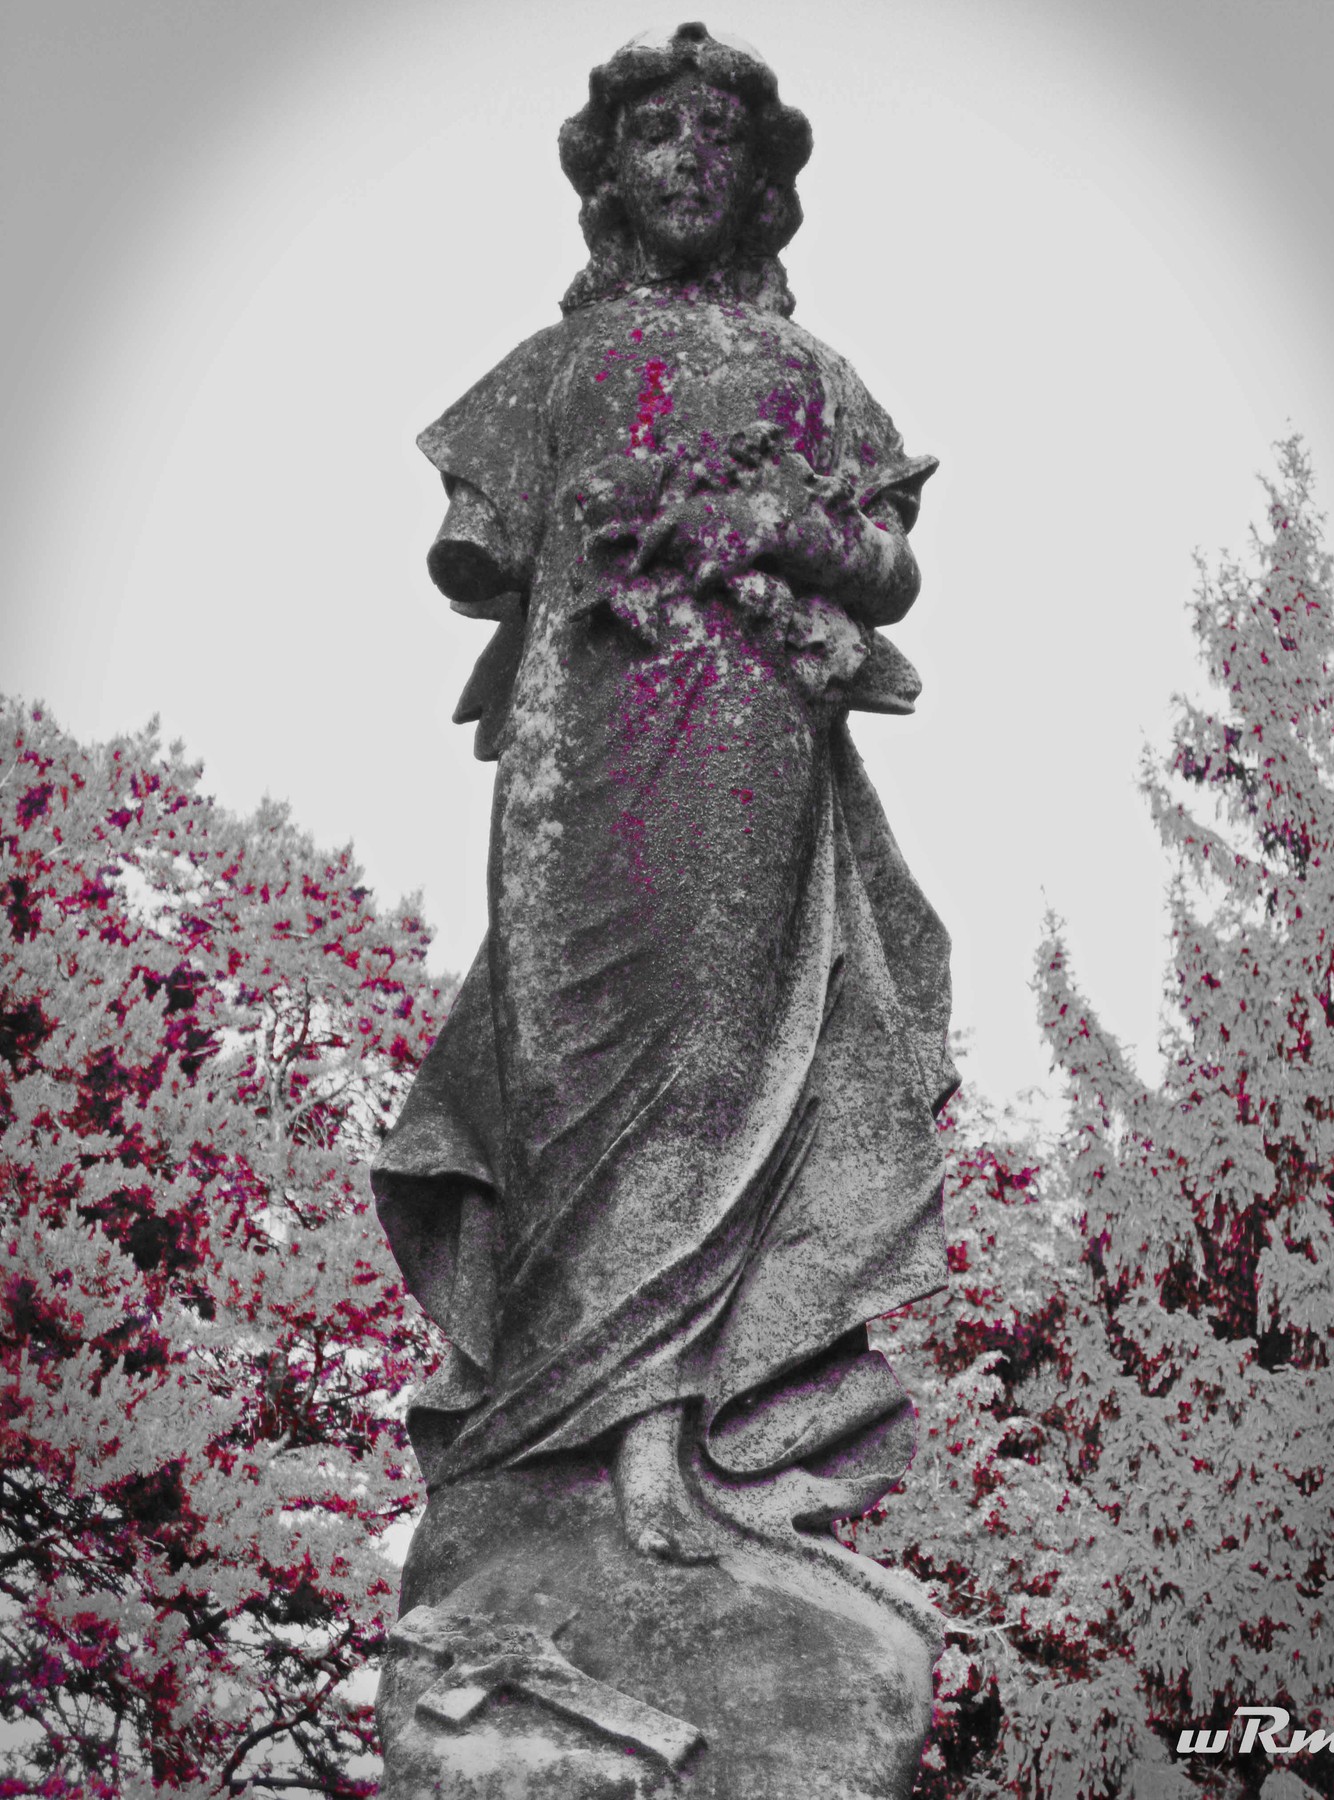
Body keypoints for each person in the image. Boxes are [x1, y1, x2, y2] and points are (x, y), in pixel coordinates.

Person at [372, 22, 955, 1564]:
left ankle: (670, 1444)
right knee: (561, 1077)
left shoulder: (809, 375)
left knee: (724, 1070)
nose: (688, 156)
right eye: (656, 134)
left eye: (720, 136)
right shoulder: (553, 368)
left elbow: (890, 572)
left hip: (745, 749)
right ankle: (550, 1445)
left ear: (763, 182)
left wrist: (773, 519)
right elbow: (469, 553)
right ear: (610, 178)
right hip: (580, 761)